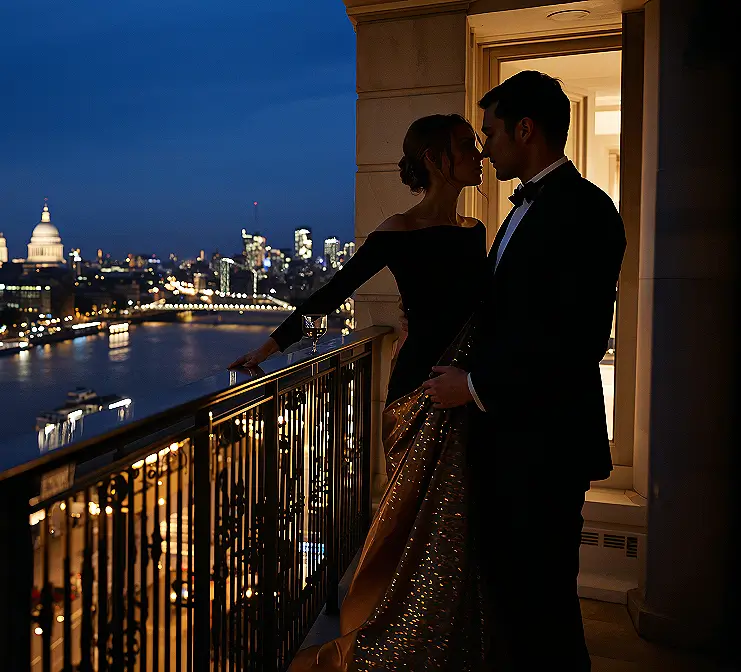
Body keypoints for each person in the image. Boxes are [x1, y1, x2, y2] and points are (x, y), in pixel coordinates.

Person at [228, 114, 490, 669]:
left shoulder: (477, 234)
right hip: (417, 392)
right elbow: (330, 294)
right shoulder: (396, 232)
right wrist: (267, 350)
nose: (480, 153)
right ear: (438, 161)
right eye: (468, 146)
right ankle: (394, 635)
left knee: (457, 528)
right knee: (407, 526)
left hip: (463, 393)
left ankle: (445, 637)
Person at [422, 71, 627, 670]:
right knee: (514, 599)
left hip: (545, 443)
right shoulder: (518, 213)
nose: (483, 146)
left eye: (490, 132)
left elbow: (575, 338)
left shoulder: (585, 213)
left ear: (525, 129)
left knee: (545, 608)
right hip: (510, 438)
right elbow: (503, 313)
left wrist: (476, 387)